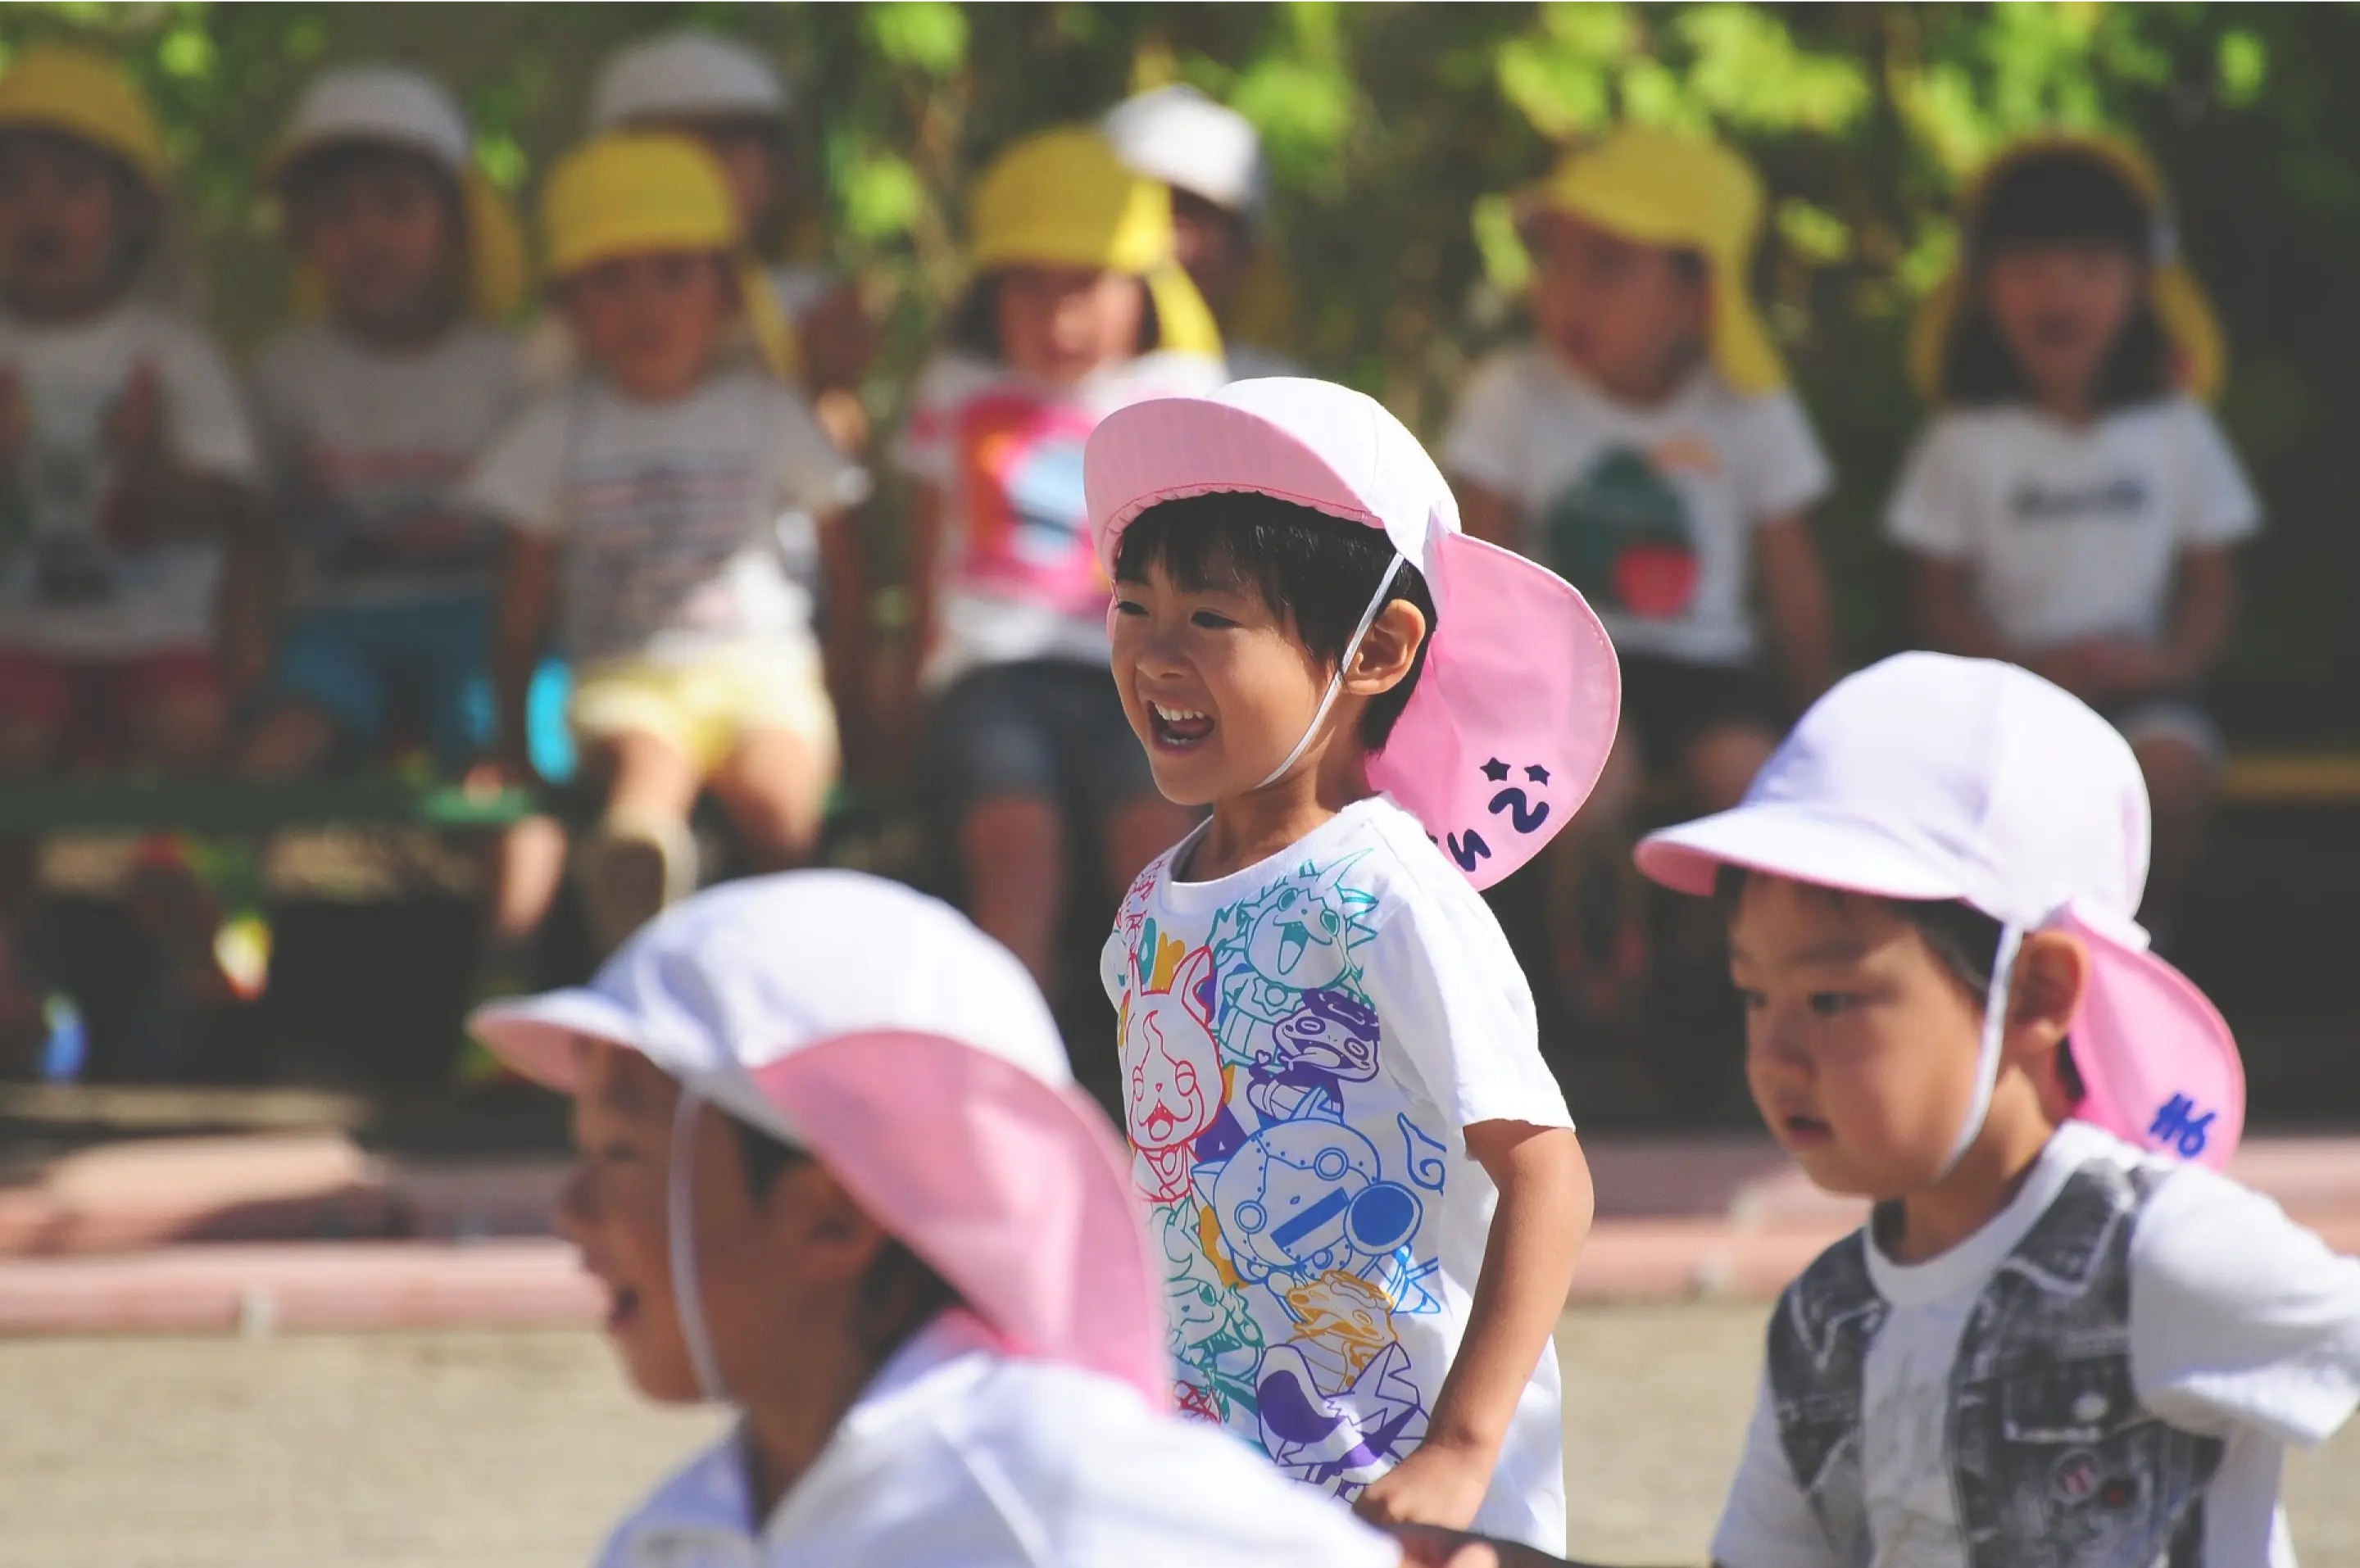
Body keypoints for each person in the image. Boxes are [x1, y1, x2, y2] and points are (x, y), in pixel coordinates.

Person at [1631, 652, 2360, 1568]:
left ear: (2037, 992)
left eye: (1830, 1000)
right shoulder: (1824, 1322)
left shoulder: (2160, 1253)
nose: (1775, 1055)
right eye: (1752, 995)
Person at [464, 869, 1414, 1566]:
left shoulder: (1053, 1478)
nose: (571, 1213)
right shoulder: (676, 1538)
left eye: (620, 1157)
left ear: (828, 1224)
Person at [1085, 377, 1621, 1552]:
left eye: (1211, 621)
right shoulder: (1147, 909)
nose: (1157, 655)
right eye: (1134, 606)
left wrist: (1464, 1451)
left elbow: (1547, 1175)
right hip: (1230, 1502)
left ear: (1375, 648)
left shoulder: (1387, 891)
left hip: (1414, 1499)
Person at [1443, 128, 1836, 1031]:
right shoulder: (1513, 393)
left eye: (1607, 268)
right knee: (1589, 784)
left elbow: (1793, 581)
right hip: (1568, 661)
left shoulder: (1750, 407)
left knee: (1750, 785)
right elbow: (1475, 565)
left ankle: (1723, 982)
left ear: (1699, 293)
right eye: (1556, 263)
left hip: (1709, 666)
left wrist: (1821, 715)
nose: (1566, 293)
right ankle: (1592, 986)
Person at [470, 133, 868, 956]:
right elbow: (523, 596)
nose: (644, 305)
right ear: (570, 302)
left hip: (767, 676)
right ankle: (642, 912)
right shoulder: (556, 428)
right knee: (646, 773)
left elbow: (846, 564)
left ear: (726, 288)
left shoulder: (766, 410)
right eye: (611, 279)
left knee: (783, 803)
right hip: (625, 680)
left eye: (673, 273)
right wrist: (509, 736)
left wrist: (857, 700)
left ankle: (783, 976)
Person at [1888, 134, 2258, 945]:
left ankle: (2137, 948)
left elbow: (2211, 581)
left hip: (2145, 685)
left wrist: (2169, 664)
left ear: (2140, 286)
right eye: (2028, 268)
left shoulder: (2178, 431)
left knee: (2171, 776)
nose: (2058, 292)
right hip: (2004, 696)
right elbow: (1933, 598)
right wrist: (2022, 663)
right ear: (1981, 288)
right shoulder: (1962, 439)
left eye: (2089, 268)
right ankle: (2013, 964)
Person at [894, 125, 1222, 1004]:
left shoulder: (1181, 390)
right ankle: (1019, 1064)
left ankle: (1177, 1068)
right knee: (1014, 845)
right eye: (1029, 287)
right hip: (990, 670)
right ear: (987, 292)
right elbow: (927, 546)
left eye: (1086, 285)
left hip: (1142, 666)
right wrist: (897, 679)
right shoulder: (957, 388)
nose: (1060, 315)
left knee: (1158, 852)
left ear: (1143, 289)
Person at [0, 45, 263, 1064]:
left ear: (134, 213)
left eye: (70, 185)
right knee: (9, 756)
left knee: (195, 733)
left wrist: (150, 473)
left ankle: (202, 937)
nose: (38, 212)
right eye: (12, 186)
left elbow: (229, 506)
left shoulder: (174, 349)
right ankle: (13, 958)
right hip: (23, 637)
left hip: (155, 631)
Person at [238, 65, 529, 781]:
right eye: (337, 213)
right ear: (300, 237)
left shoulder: (512, 369)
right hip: (334, 630)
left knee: (500, 761)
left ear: (457, 224)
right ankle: (225, 888)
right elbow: (258, 531)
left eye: (396, 205)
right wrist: (249, 656)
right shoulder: (284, 373)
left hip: (481, 627)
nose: (367, 233)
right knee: (275, 753)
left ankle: (526, 900)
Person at [585, 28, 874, 446]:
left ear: (776, 169)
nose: (700, 168)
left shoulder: (811, 305)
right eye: (670, 146)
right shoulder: (580, 305)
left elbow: (841, 465)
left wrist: (825, 383)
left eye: (727, 142)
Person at [1103, 83, 1300, 380]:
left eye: (1195, 212)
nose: (1170, 239)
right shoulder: (1024, 397)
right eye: (1148, 205)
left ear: (1245, 253)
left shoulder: (1277, 397)